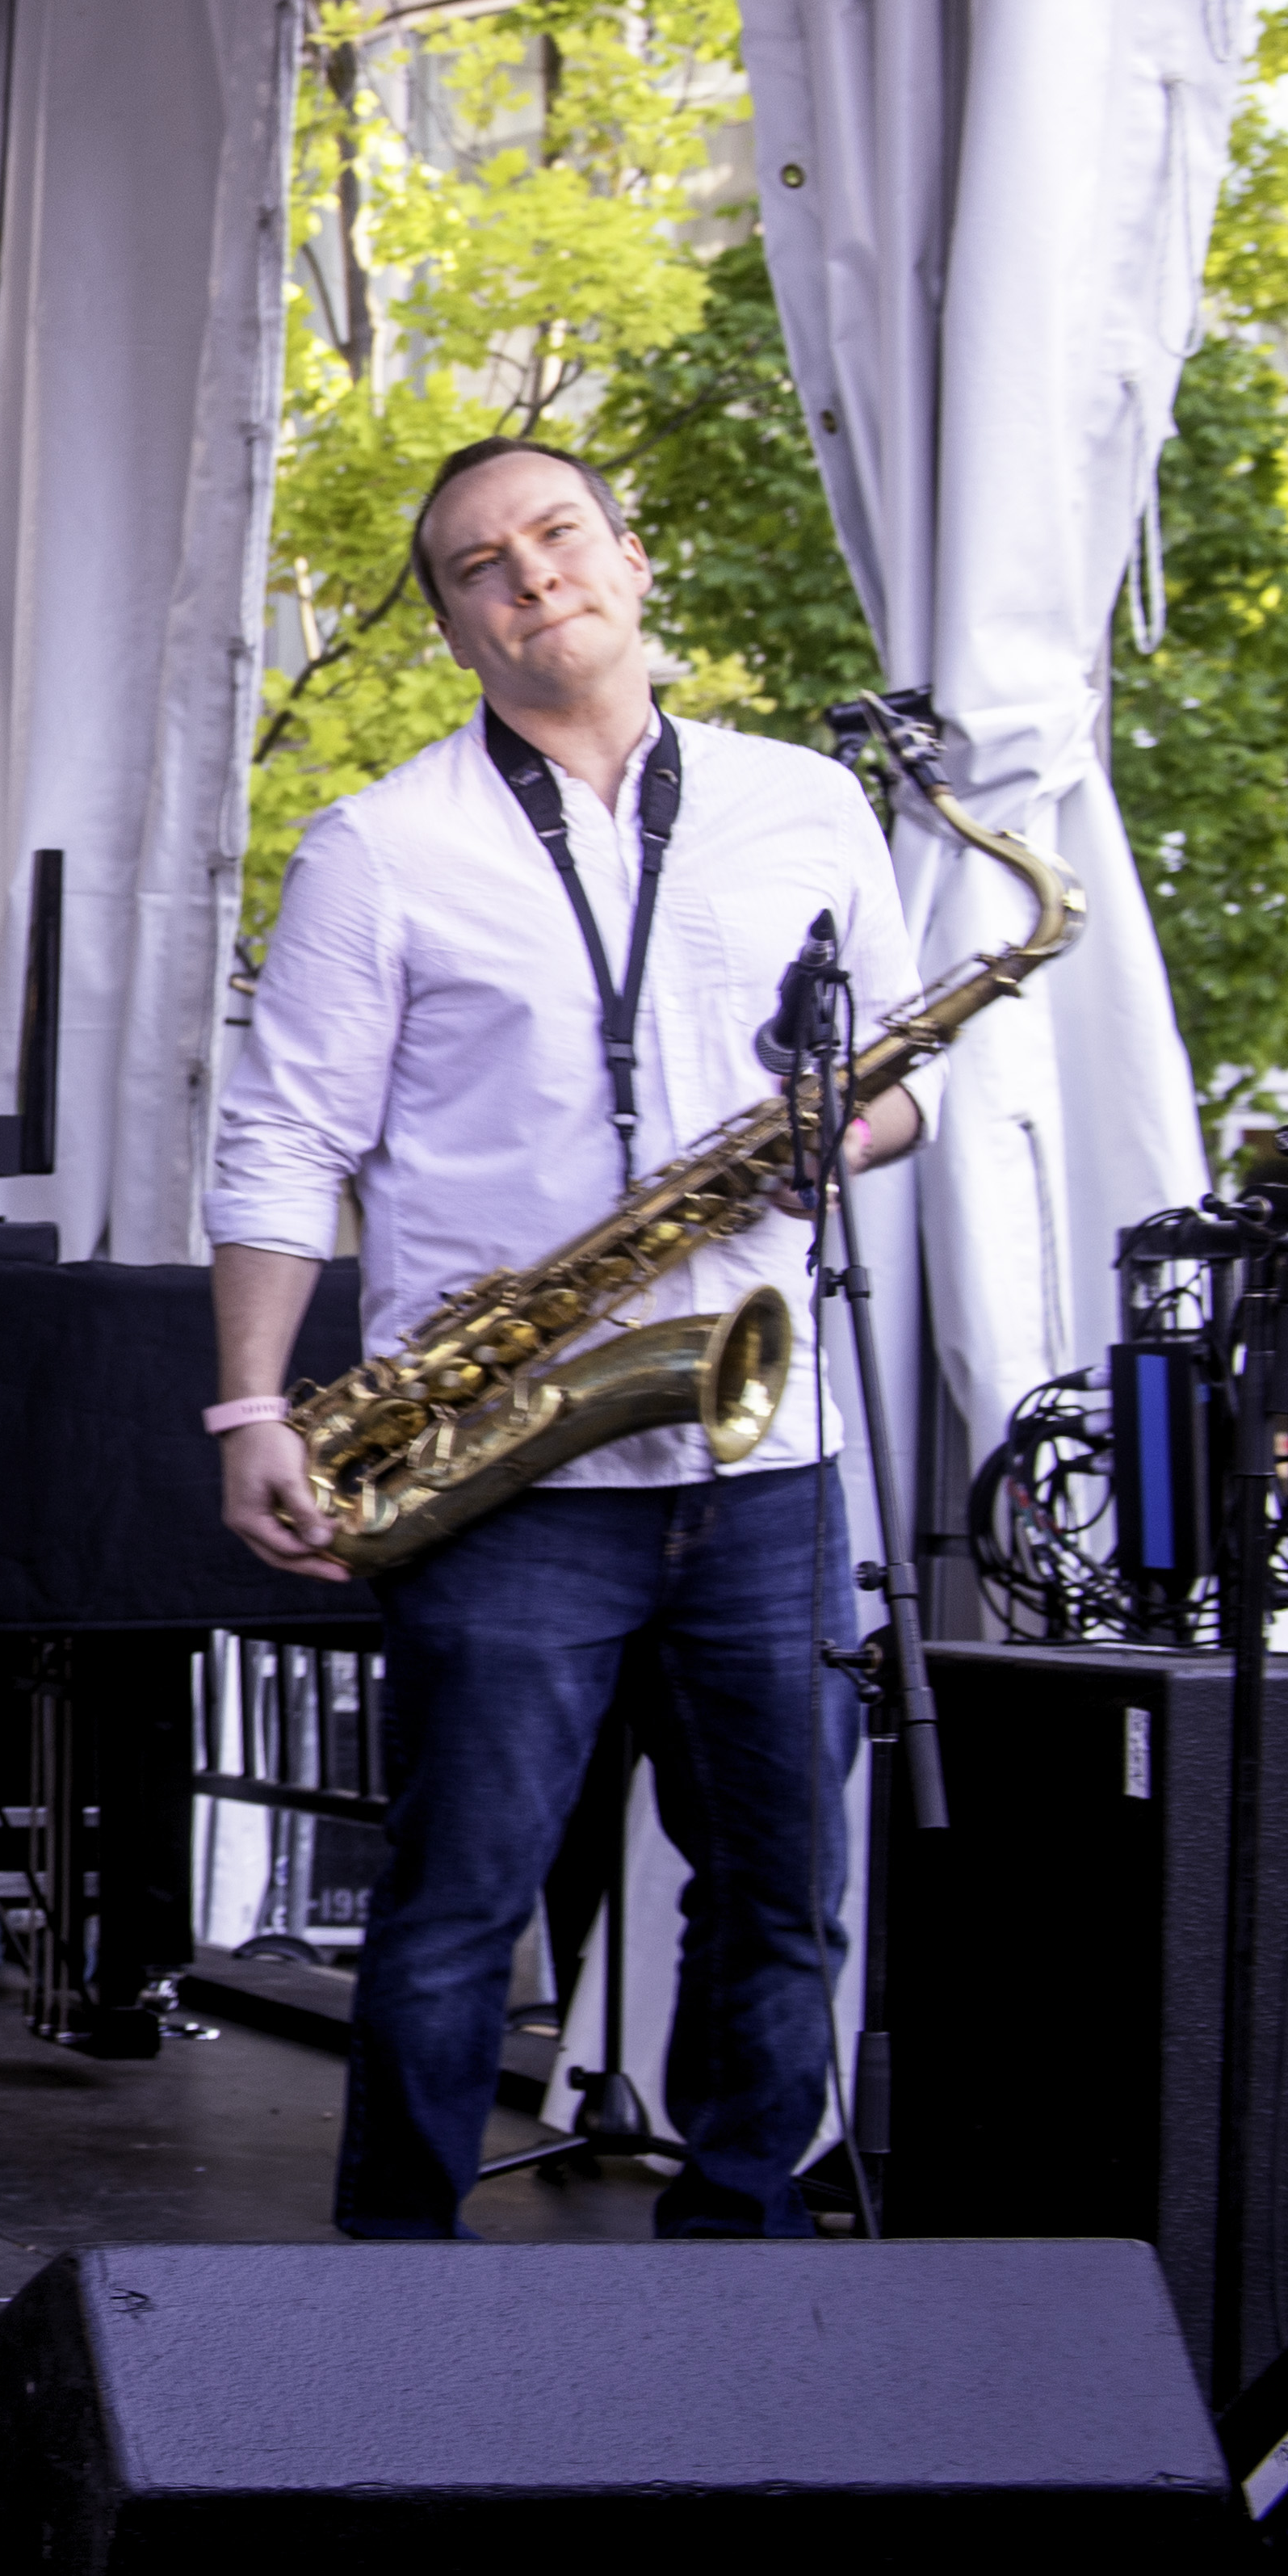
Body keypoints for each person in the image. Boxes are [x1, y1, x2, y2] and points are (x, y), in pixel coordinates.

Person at [204, 435, 926, 2242]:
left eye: (555, 534)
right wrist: (247, 1404)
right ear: (452, 626)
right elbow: (283, 1136)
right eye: (477, 565)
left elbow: (900, 1084)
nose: (529, 575)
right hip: (509, 1463)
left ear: (629, 557)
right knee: (455, 1908)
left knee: (782, 1899)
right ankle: (396, 2281)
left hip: (762, 1444)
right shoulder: (379, 847)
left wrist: (844, 1127)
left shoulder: (804, 810)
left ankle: (739, 2254)